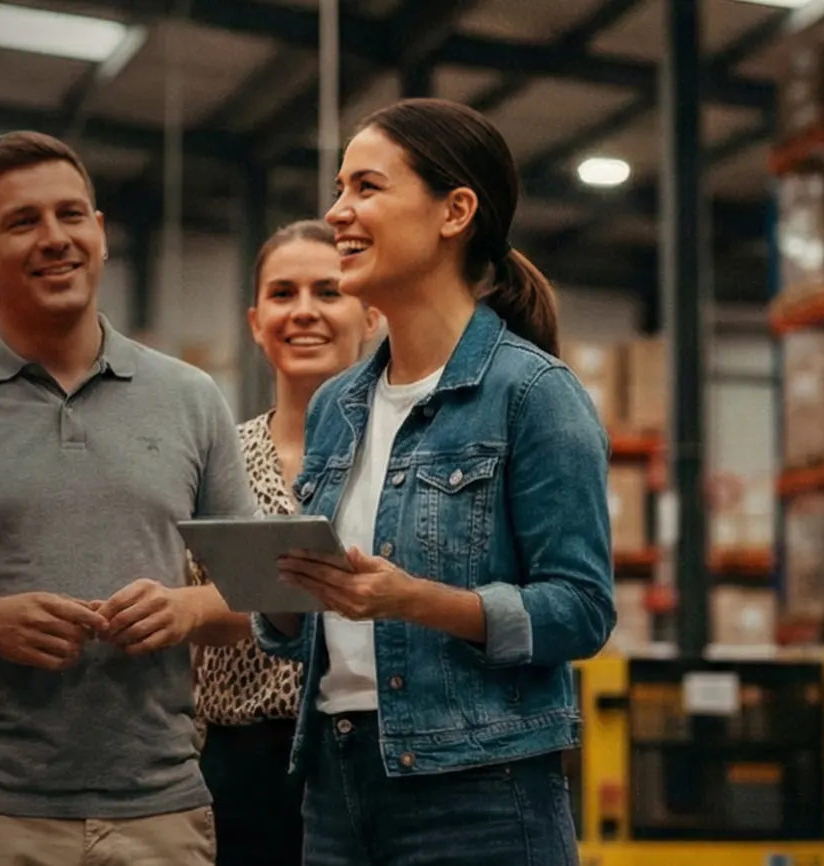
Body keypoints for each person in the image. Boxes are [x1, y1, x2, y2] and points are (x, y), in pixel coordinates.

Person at [0, 129, 262, 866]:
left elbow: (256, 600)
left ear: (101, 234)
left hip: (161, 812)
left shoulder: (190, 398)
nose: (55, 239)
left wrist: (185, 610)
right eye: (23, 222)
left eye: (71, 215)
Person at [253, 97, 615, 866]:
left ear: (455, 212)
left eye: (366, 187)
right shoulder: (336, 406)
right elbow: (318, 634)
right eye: (339, 187)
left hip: (479, 794)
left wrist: (418, 602)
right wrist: (280, 595)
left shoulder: (532, 395)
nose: (338, 211)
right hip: (333, 782)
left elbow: (582, 610)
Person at [188, 219, 381, 866]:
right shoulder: (217, 460)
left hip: (368, 757)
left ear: (370, 313)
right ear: (254, 320)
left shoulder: (402, 459)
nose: (304, 312)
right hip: (237, 775)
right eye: (283, 293)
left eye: (328, 292)